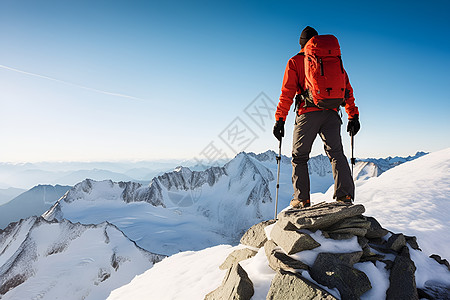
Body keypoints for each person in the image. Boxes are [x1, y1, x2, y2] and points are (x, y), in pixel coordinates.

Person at [273, 26, 360, 209]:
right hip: (332, 113)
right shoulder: (333, 60)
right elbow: (347, 89)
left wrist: (280, 119)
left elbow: (287, 93)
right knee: (336, 153)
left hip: (307, 113)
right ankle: (345, 196)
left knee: (299, 156)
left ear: (301, 43)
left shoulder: (295, 61)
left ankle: (301, 199)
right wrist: (353, 115)